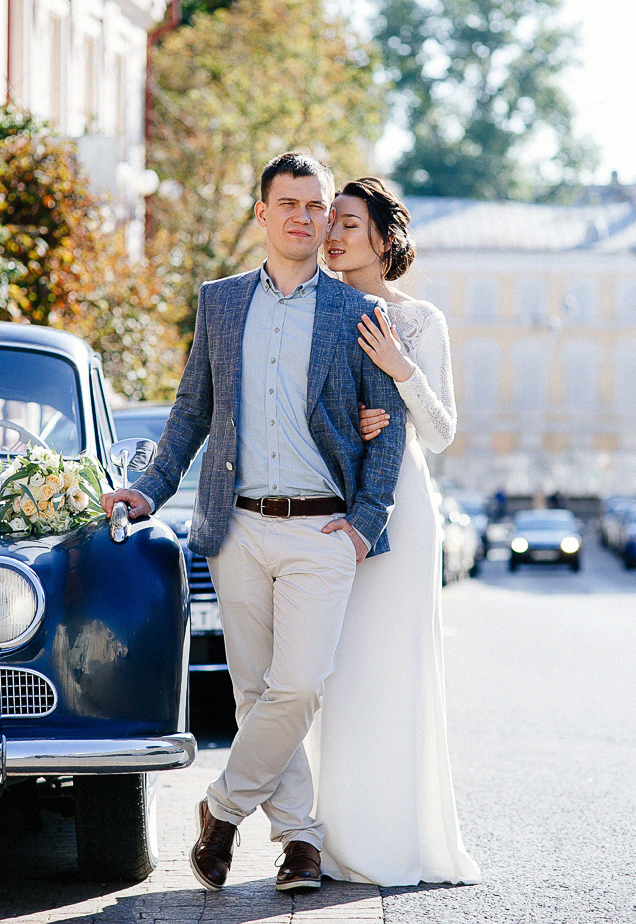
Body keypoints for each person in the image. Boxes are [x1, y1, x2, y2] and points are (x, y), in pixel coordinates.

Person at [101, 153, 406, 893]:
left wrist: (365, 522)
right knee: (251, 693)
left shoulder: (358, 312)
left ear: (328, 215)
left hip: (323, 531)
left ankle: (221, 809)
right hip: (234, 526)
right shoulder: (221, 302)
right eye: (289, 203)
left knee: (297, 685)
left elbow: (387, 421)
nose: (304, 217)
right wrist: (147, 488)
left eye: (316, 205)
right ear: (262, 213)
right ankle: (299, 840)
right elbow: (191, 410)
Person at [310, 175, 481, 887]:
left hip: (404, 512)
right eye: (331, 224)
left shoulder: (422, 320)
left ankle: (401, 839)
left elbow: (441, 433)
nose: (333, 235)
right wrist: (348, 423)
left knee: (396, 669)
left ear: (384, 236)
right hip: (329, 506)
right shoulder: (315, 309)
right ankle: (339, 838)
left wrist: (400, 372)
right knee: (339, 673)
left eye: (348, 223)